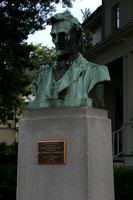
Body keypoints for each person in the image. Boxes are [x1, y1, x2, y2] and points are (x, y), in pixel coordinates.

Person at [29, 12, 110, 109]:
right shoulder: (39, 78)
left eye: (63, 35)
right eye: (54, 36)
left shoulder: (96, 71)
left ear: (77, 36)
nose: (57, 41)